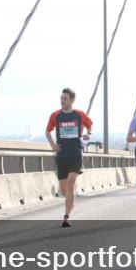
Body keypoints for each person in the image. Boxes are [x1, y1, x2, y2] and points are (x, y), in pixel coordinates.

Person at [44, 88, 93, 227]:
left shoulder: (80, 114)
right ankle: (71, 200)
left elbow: (90, 126)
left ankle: (66, 216)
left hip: (76, 153)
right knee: (64, 189)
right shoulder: (55, 115)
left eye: (65, 98)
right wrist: (53, 145)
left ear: (71, 100)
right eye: (61, 98)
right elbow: (47, 131)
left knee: (71, 182)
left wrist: (88, 134)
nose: (62, 101)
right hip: (62, 155)